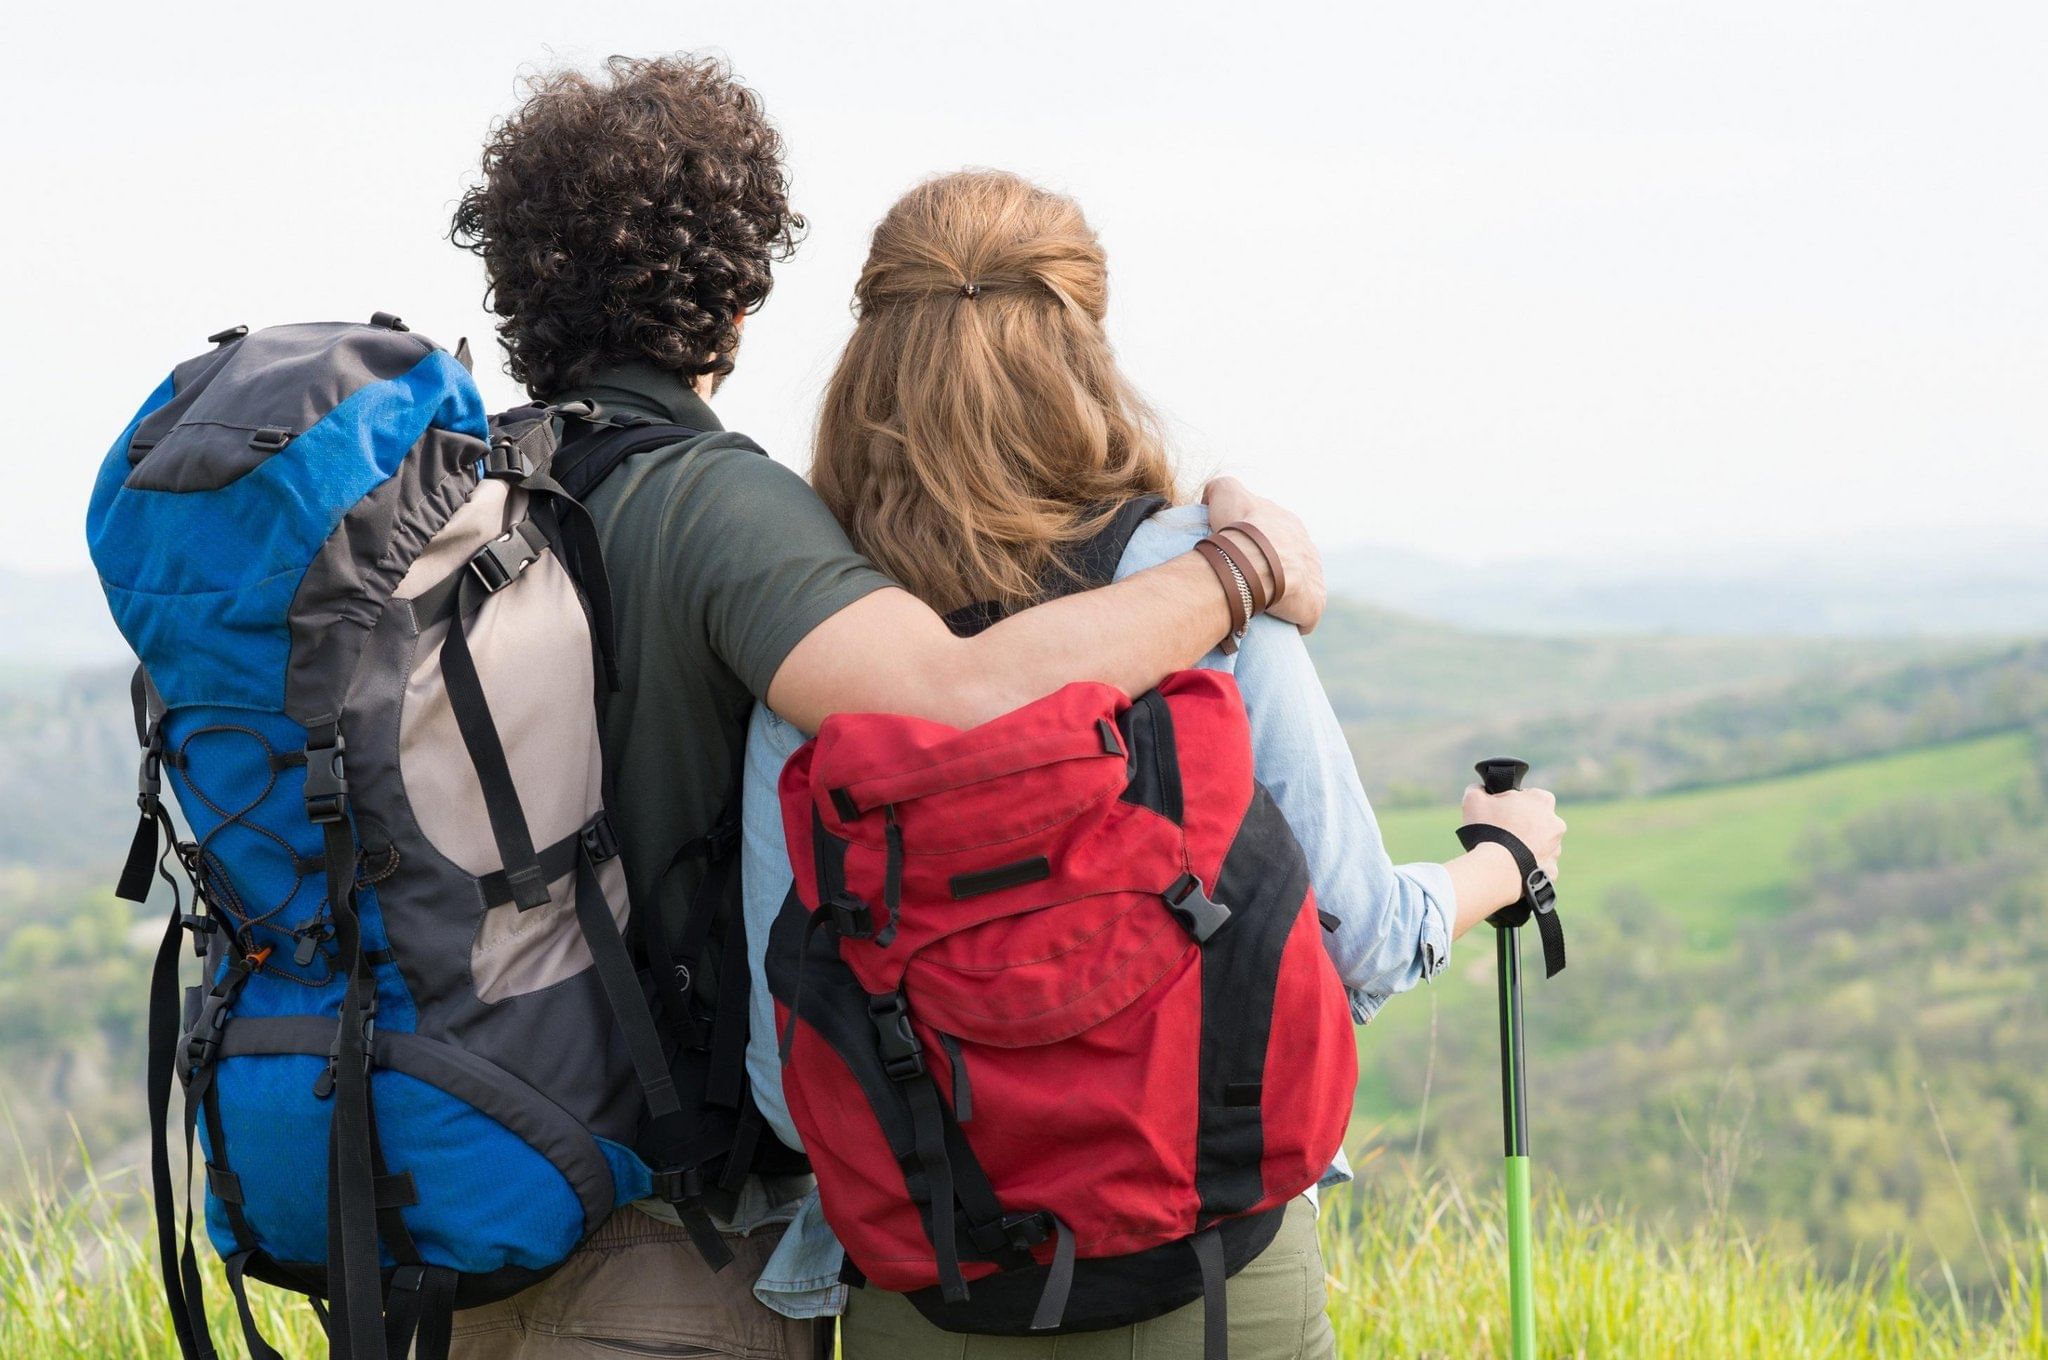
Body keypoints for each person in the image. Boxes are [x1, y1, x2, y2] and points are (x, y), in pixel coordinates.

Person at [442, 58, 1329, 1360]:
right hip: (666, 1247)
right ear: (735, 294)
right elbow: (951, 698)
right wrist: (1230, 571)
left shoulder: (463, 493)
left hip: (456, 1199)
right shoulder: (717, 505)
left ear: (519, 289)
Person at [739, 170, 1569, 1358]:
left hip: (930, 1289)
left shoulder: (824, 645)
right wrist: (1500, 862)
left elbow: (786, 1080)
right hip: (1217, 1283)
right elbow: (1362, 940)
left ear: (869, 369)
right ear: (1085, 353)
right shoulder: (1198, 578)